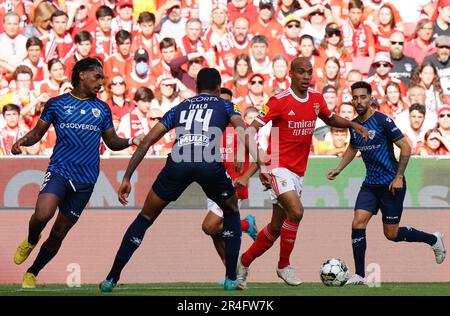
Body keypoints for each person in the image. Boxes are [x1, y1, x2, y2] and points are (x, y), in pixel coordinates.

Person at [99, 68, 249, 292]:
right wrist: (261, 163)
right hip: (208, 162)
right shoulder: (225, 105)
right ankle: (231, 278)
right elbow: (243, 128)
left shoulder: (180, 107)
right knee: (231, 210)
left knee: (146, 216)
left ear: (197, 88)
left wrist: (128, 176)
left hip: (178, 162)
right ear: (218, 87)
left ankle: (111, 279)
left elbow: (147, 140)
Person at [236, 57, 369, 287]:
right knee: (296, 212)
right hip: (277, 167)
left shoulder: (316, 100)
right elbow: (249, 132)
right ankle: (283, 266)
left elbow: (329, 118)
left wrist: (352, 124)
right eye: (301, 72)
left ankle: (244, 262)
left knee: (276, 227)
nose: (306, 76)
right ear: (291, 74)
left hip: (298, 172)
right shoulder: (279, 101)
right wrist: (262, 166)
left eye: (309, 72)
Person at [11, 57, 142, 288]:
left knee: (59, 233)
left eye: (103, 78)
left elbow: (111, 142)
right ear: (82, 75)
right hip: (60, 171)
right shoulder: (57, 104)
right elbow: (38, 133)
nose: (102, 82)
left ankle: (33, 272)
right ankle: (31, 240)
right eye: (98, 77)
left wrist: (132, 140)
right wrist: (22, 140)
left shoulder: (102, 108)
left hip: (86, 180)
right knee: (43, 214)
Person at [327, 81, 446, 285]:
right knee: (357, 222)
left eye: (363, 97)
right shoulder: (354, 125)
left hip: (391, 184)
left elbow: (406, 148)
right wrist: (339, 168)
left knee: (391, 234)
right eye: (355, 97)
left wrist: (399, 176)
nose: (359, 101)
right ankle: (360, 275)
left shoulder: (383, 121)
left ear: (371, 98)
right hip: (370, 185)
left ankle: (433, 240)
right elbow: (352, 148)